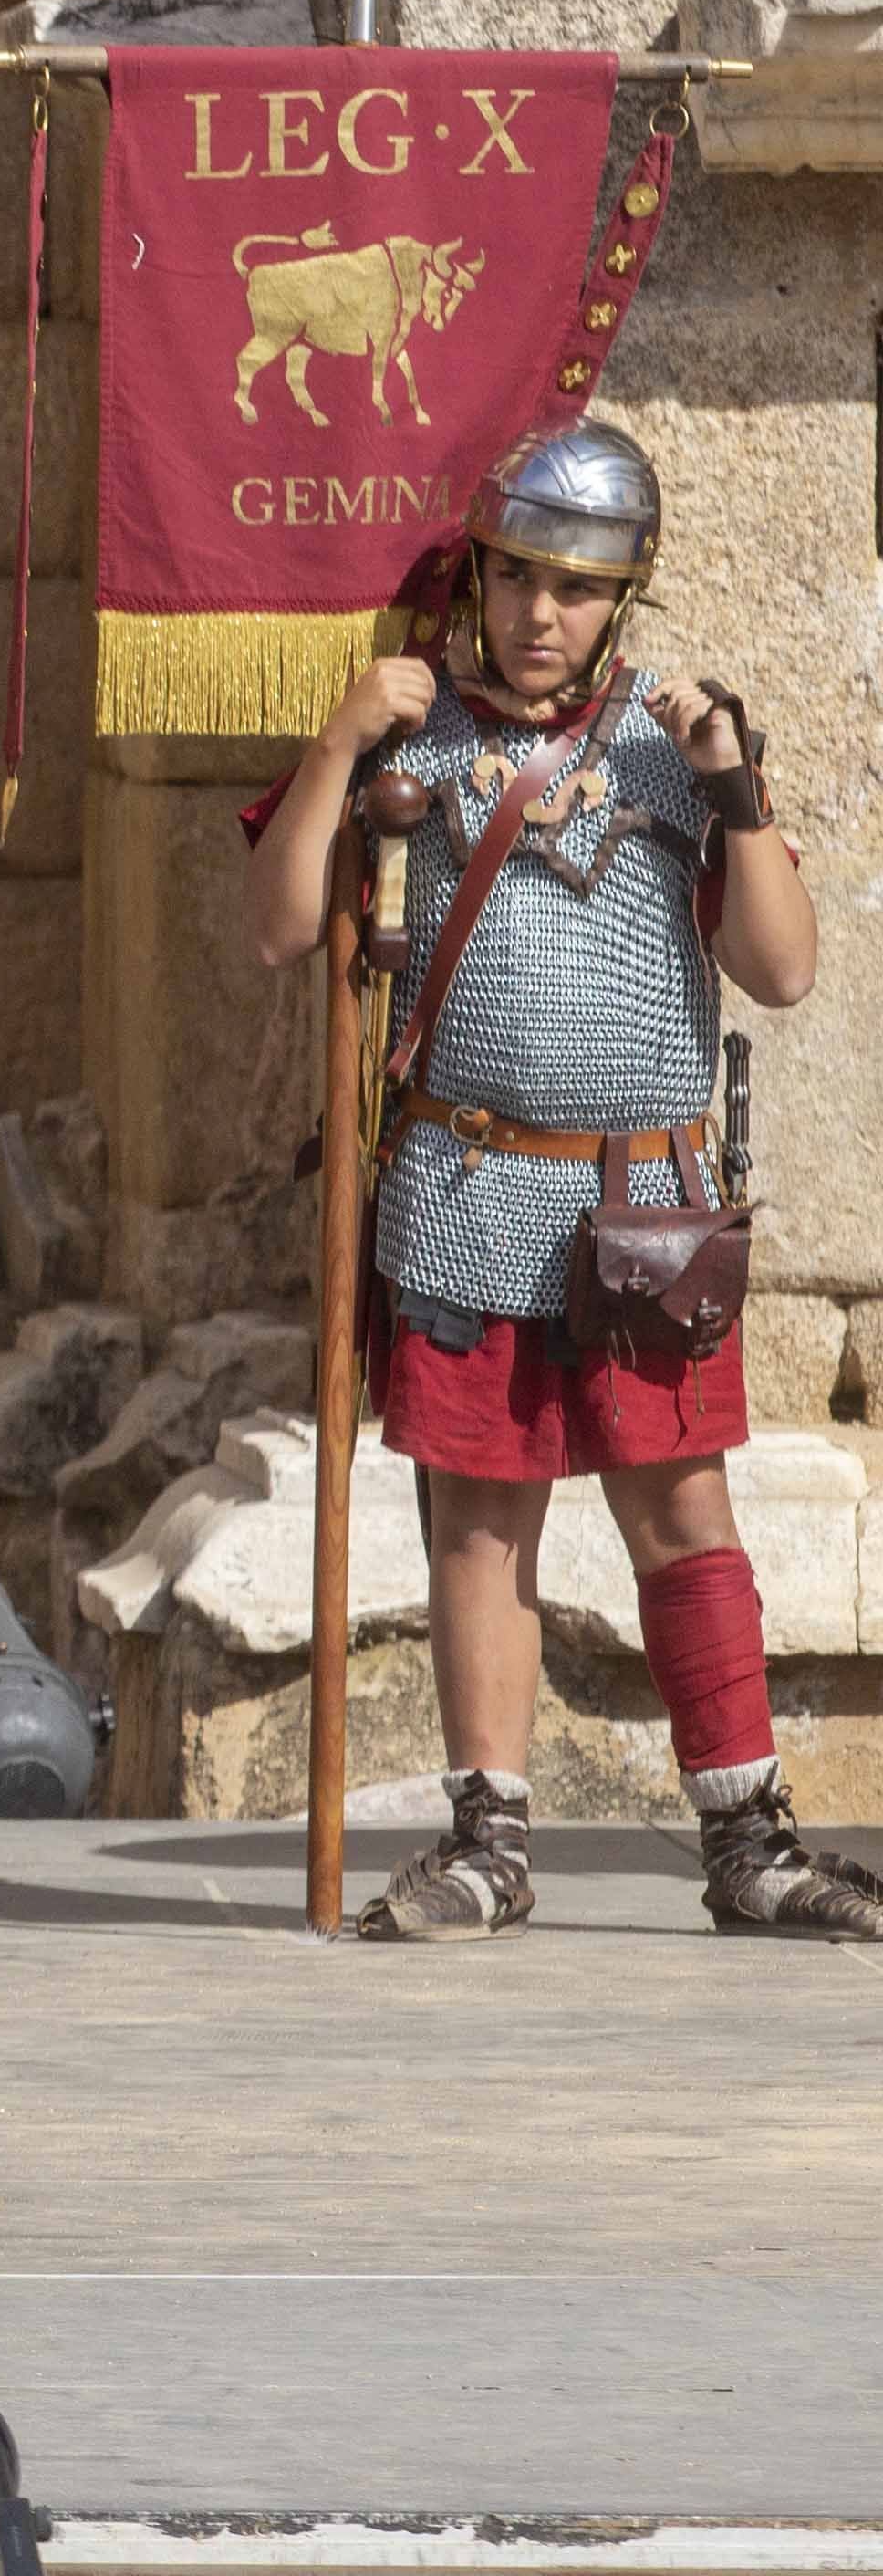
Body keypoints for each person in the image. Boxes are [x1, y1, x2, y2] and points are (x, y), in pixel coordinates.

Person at [243, 418, 874, 1940]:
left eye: (579, 589)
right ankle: (490, 1838)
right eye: (520, 578)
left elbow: (782, 972)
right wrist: (336, 740)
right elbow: (278, 928)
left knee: (683, 1515)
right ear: (478, 577)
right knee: (478, 1525)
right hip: (466, 1192)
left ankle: (748, 1838)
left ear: (624, 598)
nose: (542, 615)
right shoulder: (412, 745)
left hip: (641, 1208)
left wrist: (738, 789)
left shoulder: (675, 749)